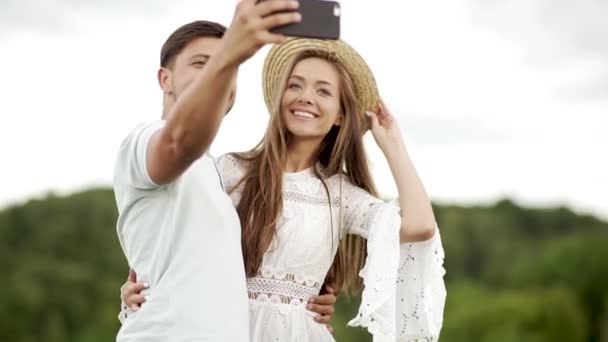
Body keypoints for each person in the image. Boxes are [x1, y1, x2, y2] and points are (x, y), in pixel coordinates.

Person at [122, 37, 447, 341]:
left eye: (323, 91)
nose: (306, 96)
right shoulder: (231, 171)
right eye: (295, 85)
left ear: (339, 116)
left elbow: (419, 226)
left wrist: (393, 144)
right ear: (280, 99)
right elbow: (174, 233)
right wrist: (139, 284)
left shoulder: (340, 194)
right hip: (222, 326)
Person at [112, 2, 336, 341]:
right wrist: (230, 55)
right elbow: (178, 142)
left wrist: (301, 298)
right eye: (201, 63)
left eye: (225, 68)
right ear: (165, 79)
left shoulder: (215, 174)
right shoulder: (143, 140)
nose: (215, 73)